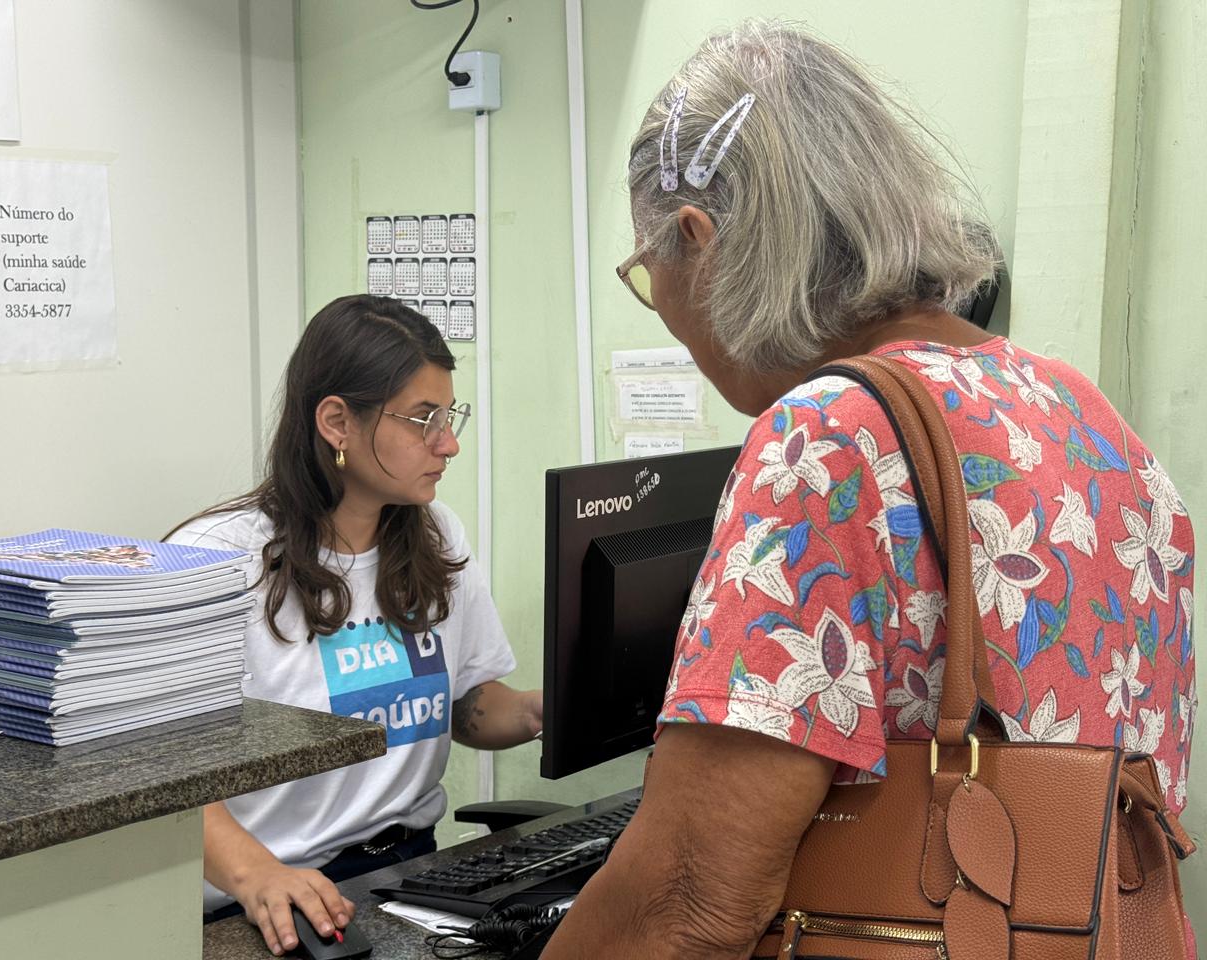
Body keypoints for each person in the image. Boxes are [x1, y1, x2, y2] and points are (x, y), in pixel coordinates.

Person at [543, 20, 1195, 959]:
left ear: (701, 241)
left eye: (652, 274)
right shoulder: (1087, 419)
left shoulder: (827, 439)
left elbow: (685, 905)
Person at [169, 295, 542, 957]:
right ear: (337, 422)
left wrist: (553, 709)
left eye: (448, 416)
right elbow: (156, 777)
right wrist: (257, 875)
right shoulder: (217, 561)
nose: (448, 444)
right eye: (424, 419)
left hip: (408, 871)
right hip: (268, 896)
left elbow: (469, 710)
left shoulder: (434, 533)